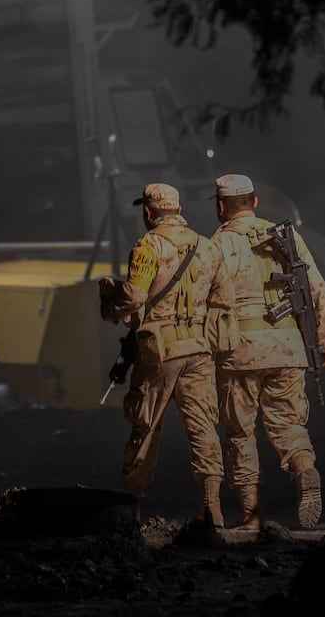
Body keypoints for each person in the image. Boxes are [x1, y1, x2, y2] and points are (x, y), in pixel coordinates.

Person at [98, 183, 237, 526]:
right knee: (203, 426)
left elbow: (134, 298)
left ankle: (130, 512)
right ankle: (212, 510)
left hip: (158, 353)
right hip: (199, 351)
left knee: (145, 427)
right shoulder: (208, 248)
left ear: (148, 212)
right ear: (176, 209)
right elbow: (224, 303)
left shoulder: (148, 246)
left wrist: (109, 300)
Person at [209, 173, 325, 529]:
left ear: (222, 207)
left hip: (240, 351)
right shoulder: (285, 236)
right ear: (254, 202)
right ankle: (304, 468)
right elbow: (317, 288)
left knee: (240, 432)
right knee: (288, 423)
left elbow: (207, 301)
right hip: (287, 346)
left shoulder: (217, 244)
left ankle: (251, 516)